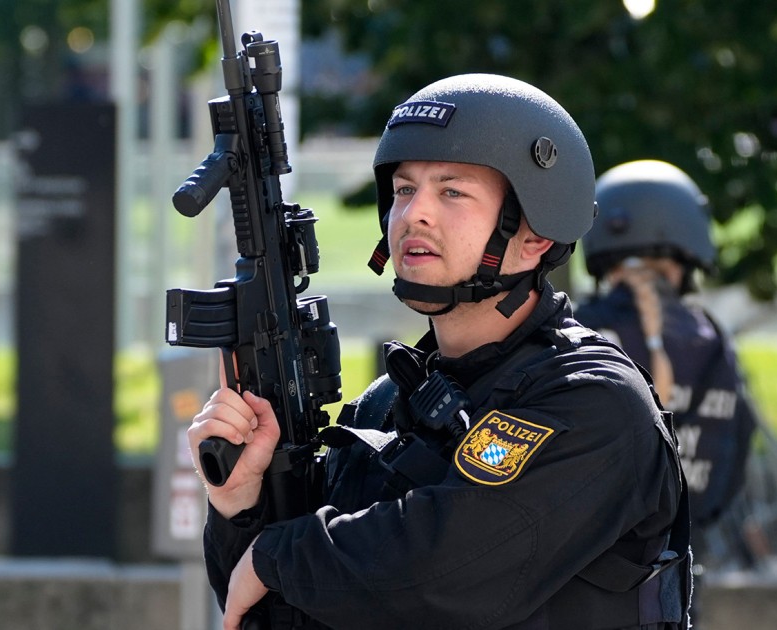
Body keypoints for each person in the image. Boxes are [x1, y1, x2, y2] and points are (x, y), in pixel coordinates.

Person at [188, 75, 692, 629]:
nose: (413, 215)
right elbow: (266, 611)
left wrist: (274, 557)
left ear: (535, 235)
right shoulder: (385, 407)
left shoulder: (593, 402)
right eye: (404, 190)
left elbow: (441, 569)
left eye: (452, 192)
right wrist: (242, 503)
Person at [574, 160, 759, 617]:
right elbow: (735, 456)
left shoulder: (576, 331)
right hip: (678, 584)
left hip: (579, 581)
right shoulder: (716, 340)